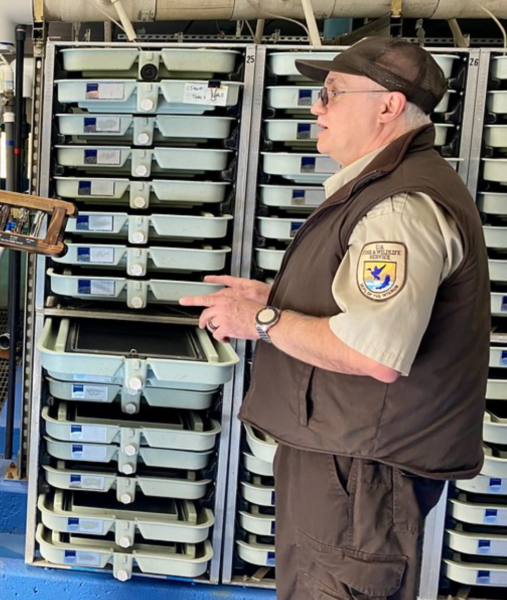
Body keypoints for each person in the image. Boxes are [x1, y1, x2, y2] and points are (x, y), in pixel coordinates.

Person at [181, 37, 489, 599]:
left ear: (388, 105)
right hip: (348, 460)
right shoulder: (385, 188)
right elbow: (373, 309)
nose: (315, 108)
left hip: (363, 473)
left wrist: (264, 321)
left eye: (331, 94)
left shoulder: (400, 205)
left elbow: (373, 352)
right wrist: (275, 294)